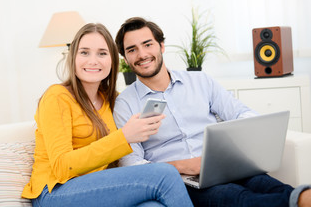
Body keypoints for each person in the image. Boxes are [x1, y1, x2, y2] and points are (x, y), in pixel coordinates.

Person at [113, 17, 311, 207]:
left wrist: (231, 149)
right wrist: (183, 166)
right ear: (125, 58)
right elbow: (130, 163)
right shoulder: (125, 103)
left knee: (269, 185)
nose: (142, 54)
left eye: (148, 44)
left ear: (161, 46)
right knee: (235, 198)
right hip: (180, 180)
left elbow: (243, 113)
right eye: (132, 50)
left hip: (224, 166)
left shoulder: (200, 81)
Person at [21, 23, 193, 207]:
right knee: (165, 174)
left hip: (98, 188)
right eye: (84, 52)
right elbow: (63, 167)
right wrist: (124, 137)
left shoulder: (113, 101)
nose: (93, 61)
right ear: (73, 58)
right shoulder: (57, 96)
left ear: (112, 60)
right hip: (55, 192)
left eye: (102, 53)